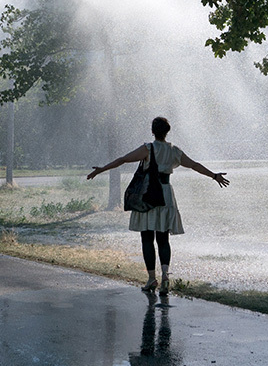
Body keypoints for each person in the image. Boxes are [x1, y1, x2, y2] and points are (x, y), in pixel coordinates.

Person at [86, 117, 229, 294]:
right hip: (166, 195)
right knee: (163, 238)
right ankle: (165, 277)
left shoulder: (148, 148)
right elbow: (194, 165)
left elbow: (123, 159)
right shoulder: (174, 150)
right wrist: (214, 176)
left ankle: (152, 279)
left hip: (149, 195)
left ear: (153, 131)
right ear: (167, 132)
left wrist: (101, 169)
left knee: (147, 237)